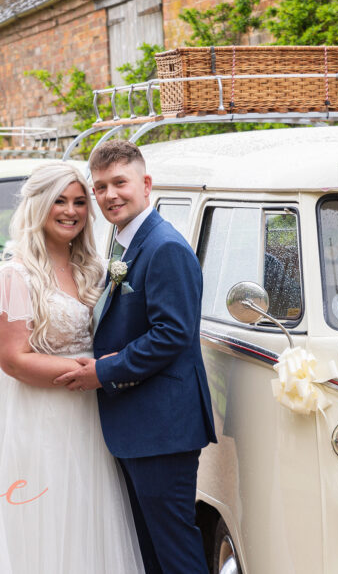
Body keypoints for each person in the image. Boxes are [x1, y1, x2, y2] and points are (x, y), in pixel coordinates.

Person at [0, 162, 144, 573]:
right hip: (35, 412)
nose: (71, 210)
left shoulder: (96, 269)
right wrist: (88, 372)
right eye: (59, 200)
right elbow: (12, 359)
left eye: (80, 202)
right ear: (39, 205)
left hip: (91, 413)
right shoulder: (14, 275)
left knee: (85, 512)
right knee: (38, 515)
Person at [55, 140, 216, 574]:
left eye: (120, 183)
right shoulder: (125, 243)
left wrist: (102, 372)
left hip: (163, 427)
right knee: (148, 548)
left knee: (175, 549)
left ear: (146, 184)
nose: (110, 195)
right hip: (138, 424)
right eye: (101, 186)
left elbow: (173, 335)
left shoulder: (164, 247)